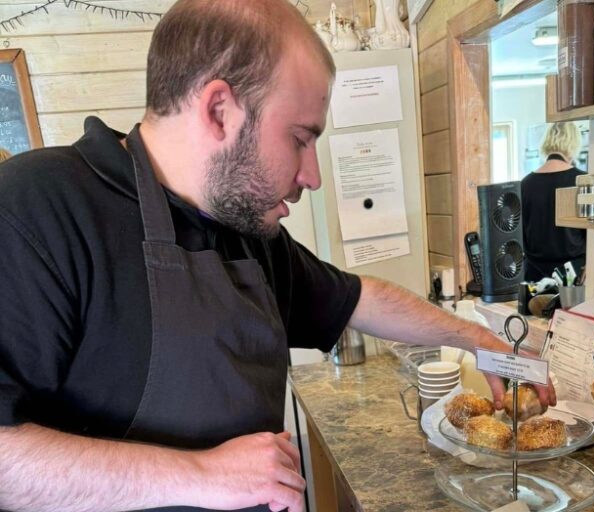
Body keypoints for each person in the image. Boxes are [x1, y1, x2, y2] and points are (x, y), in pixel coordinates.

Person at [0, 1, 554, 511]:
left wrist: (477, 339)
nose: (311, 175)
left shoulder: (242, 228)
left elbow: (358, 298)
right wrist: (199, 474)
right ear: (219, 110)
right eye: (299, 138)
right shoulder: (39, 207)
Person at [521, 122, 587, 282]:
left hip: (534, 274)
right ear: (574, 143)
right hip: (572, 275)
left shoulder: (525, 183)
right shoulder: (582, 180)